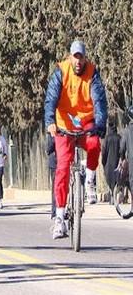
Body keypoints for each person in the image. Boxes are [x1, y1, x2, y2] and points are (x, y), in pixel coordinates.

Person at [44, 40, 107, 239]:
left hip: (86, 122)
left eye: (81, 57)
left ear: (85, 58)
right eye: (75, 57)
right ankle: (60, 217)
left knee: (94, 143)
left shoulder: (92, 74)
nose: (78, 61)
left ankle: (89, 180)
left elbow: (100, 100)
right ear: (70, 57)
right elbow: (51, 99)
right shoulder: (60, 72)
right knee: (63, 167)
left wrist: (100, 124)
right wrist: (50, 121)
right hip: (64, 126)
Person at [101, 119, 120, 202]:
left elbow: (104, 152)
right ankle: (115, 196)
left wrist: (103, 162)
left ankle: (112, 195)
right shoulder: (119, 137)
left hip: (108, 164)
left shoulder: (107, 138)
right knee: (116, 180)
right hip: (117, 162)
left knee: (109, 180)